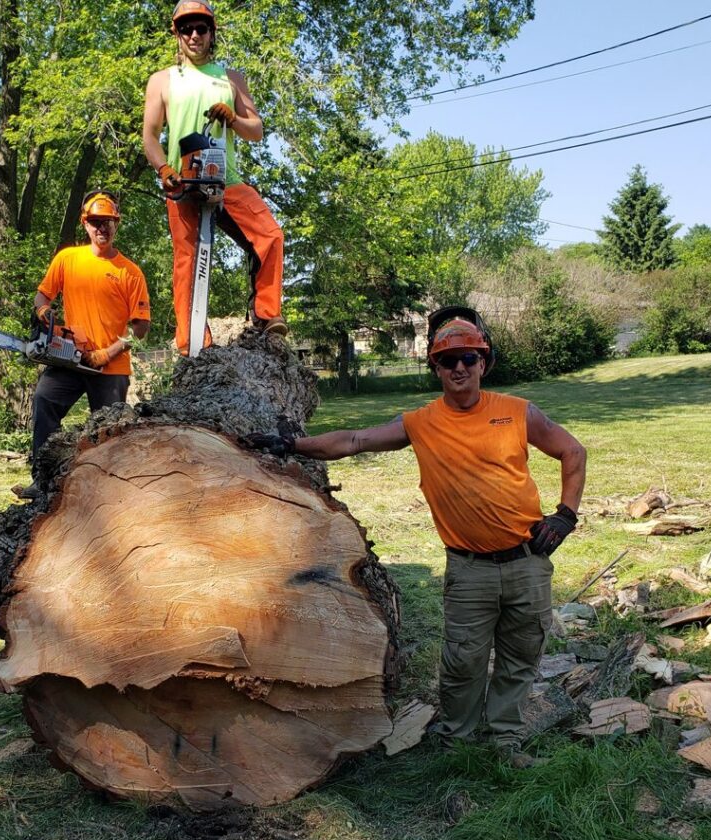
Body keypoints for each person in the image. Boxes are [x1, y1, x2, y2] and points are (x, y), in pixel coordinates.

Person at [244, 307, 587, 767]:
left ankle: (506, 740)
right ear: (436, 368)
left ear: (483, 362)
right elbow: (355, 441)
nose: (459, 368)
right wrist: (292, 445)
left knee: (520, 655)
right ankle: (458, 740)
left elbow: (572, 450)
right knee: (464, 660)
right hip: (470, 567)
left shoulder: (518, 413)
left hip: (528, 560)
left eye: (468, 358)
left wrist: (565, 516)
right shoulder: (421, 423)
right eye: (448, 361)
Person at [142, 0, 286, 355]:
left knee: (269, 236)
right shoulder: (162, 80)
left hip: (227, 178)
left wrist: (233, 118)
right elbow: (149, 135)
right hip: (182, 182)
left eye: (201, 29)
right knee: (187, 262)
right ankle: (193, 342)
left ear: (212, 34)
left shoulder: (231, 78)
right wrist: (164, 169)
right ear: (176, 34)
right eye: (186, 28)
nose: (194, 35)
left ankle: (266, 317)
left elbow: (256, 130)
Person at [15, 190, 150, 498]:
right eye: (95, 222)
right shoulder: (68, 259)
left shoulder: (130, 272)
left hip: (111, 367)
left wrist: (110, 351)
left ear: (117, 224)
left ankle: (111, 491)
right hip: (70, 358)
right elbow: (42, 296)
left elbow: (140, 328)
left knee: (109, 432)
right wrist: (45, 315)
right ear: (85, 224)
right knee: (45, 400)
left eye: (108, 222)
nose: (102, 228)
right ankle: (42, 480)